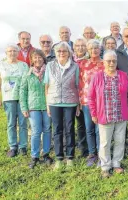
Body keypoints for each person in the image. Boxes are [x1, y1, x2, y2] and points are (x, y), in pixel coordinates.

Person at [88, 50, 128, 178]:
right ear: (103, 62)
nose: (111, 63)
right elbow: (90, 97)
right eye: (109, 61)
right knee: (105, 142)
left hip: (120, 114)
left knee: (119, 140)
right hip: (104, 115)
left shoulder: (123, 75)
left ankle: (116, 163)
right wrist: (93, 113)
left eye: (114, 61)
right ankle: (105, 166)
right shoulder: (97, 76)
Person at [44, 41, 80, 170]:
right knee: (57, 130)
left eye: (64, 51)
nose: (61, 53)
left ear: (69, 53)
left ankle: (70, 157)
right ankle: (59, 158)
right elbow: (46, 85)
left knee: (70, 129)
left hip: (70, 101)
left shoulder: (75, 67)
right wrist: (48, 104)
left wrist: (78, 104)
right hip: (53, 101)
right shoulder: (49, 66)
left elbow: (77, 86)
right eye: (59, 51)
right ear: (55, 53)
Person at [19, 49, 53, 168]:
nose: (38, 60)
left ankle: (46, 154)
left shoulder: (49, 72)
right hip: (33, 107)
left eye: (40, 57)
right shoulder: (27, 74)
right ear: (32, 60)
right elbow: (22, 92)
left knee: (47, 130)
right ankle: (35, 156)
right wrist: (24, 107)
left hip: (47, 106)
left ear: (43, 58)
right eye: (35, 58)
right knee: (36, 131)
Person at [0, 44, 29, 157]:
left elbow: (28, 82)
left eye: (15, 51)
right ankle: (13, 147)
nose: (12, 53)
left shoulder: (24, 65)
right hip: (8, 98)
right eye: (10, 51)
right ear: (6, 53)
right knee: (11, 123)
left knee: (23, 123)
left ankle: (23, 146)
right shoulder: (1, 65)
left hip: (23, 98)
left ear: (18, 52)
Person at [79, 39, 105, 167]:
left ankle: (102, 155)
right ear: (87, 50)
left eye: (96, 48)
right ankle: (92, 154)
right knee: (89, 128)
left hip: (101, 101)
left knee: (99, 129)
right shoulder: (83, 64)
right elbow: (79, 83)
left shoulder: (105, 64)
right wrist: (79, 100)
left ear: (100, 49)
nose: (93, 51)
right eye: (91, 49)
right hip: (86, 101)